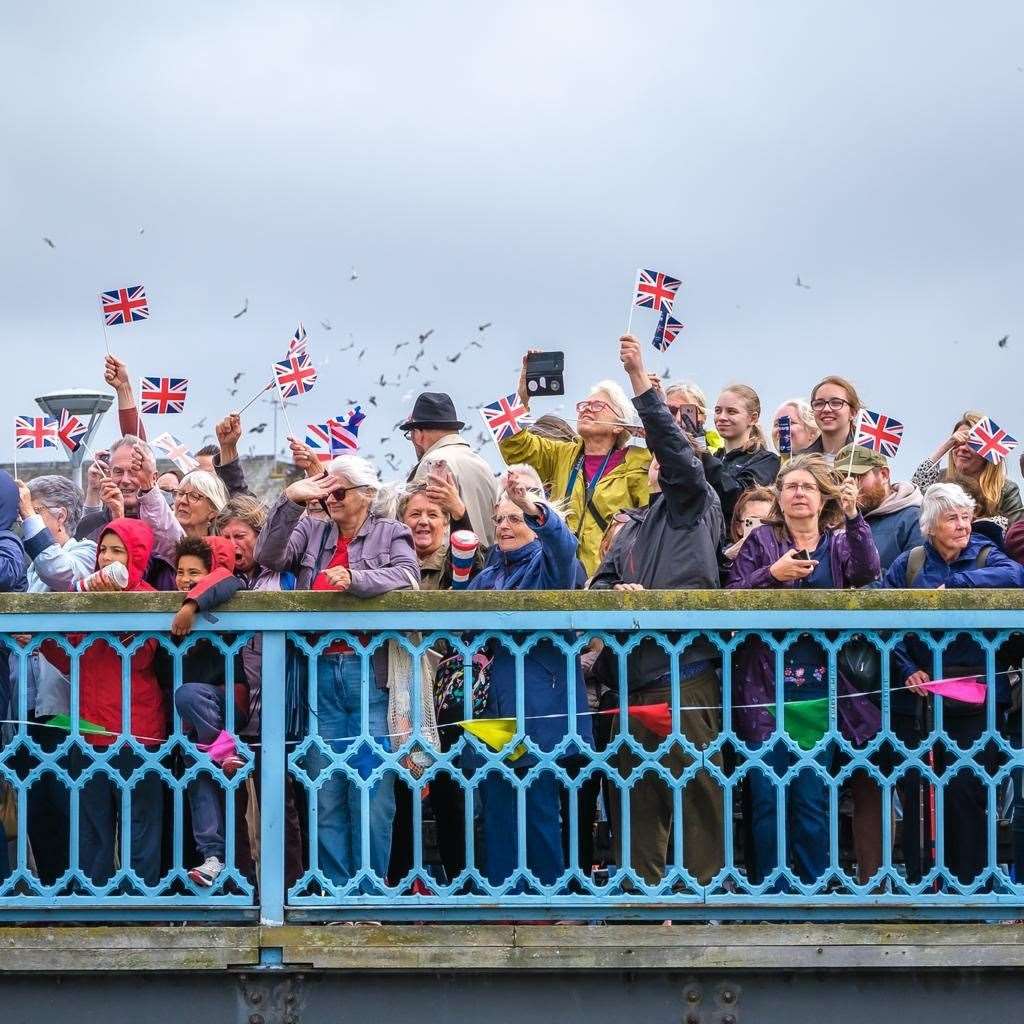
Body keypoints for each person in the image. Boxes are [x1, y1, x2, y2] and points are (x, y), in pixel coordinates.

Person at [588, 335, 726, 885]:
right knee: (634, 799)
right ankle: (639, 903)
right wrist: (614, 597)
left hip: (684, 673)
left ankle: (701, 902)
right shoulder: (631, 527)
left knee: (697, 796)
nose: (660, 466)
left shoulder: (696, 504)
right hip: (630, 679)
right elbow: (597, 588)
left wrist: (641, 379)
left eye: (670, 459)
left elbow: (675, 452)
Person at [254, 454, 420, 888]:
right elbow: (268, 556)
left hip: (370, 670)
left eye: (339, 492)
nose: (330, 500)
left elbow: (407, 575)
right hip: (319, 670)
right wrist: (291, 500)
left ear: (366, 495)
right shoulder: (311, 528)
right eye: (325, 491)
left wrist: (357, 578)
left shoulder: (390, 531)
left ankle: (367, 894)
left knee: (371, 788)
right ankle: (335, 893)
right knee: (324, 786)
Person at [727, 455, 880, 886]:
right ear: (779, 495)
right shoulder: (761, 542)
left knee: (812, 798)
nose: (798, 493)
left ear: (822, 497)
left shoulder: (837, 540)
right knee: (766, 796)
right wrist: (771, 575)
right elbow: (732, 597)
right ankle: (770, 890)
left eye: (807, 487)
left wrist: (854, 516)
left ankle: (813, 885)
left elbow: (867, 570)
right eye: (791, 486)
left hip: (819, 687)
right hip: (764, 688)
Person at [880, 483, 1024, 885]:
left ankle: (970, 884)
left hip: (975, 695)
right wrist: (906, 667)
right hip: (919, 697)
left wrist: (959, 586)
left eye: (965, 516)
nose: (962, 526)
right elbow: (884, 616)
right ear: (930, 525)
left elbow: (1015, 574)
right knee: (916, 790)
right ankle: (922, 884)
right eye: (952, 518)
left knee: (967, 790)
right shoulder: (910, 563)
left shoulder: (983, 553)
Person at [467, 468, 592, 888]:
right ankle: (505, 897)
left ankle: (547, 896)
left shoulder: (548, 563)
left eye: (514, 519)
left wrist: (532, 506)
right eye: (499, 519)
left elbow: (564, 544)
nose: (504, 526)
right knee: (499, 803)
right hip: (494, 702)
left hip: (541, 703)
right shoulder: (489, 572)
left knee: (538, 804)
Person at [39, 520, 165, 887]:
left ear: (136, 556)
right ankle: (95, 899)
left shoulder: (148, 597)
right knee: (92, 824)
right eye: (103, 550)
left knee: (139, 823)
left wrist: (114, 609)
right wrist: (44, 640)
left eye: (117, 551)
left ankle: (140, 900)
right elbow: (69, 657)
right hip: (89, 727)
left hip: (137, 730)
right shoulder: (84, 598)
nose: (107, 558)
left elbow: (141, 656)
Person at [387, 476, 485, 887]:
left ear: (447, 523)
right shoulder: (392, 566)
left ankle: (461, 883)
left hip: (451, 695)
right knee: (401, 791)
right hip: (402, 695)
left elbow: (483, 574)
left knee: (452, 792)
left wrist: (462, 513)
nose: (424, 522)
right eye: (415, 514)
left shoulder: (460, 561)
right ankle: (403, 880)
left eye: (434, 514)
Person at [213, 496, 303, 888]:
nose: (234, 544)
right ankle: (239, 888)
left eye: (241, 535)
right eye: (226, 536)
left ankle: (287, 888)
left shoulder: (280, 575)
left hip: (276, 711)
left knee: (279, 804)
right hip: (228, 714)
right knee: (228, 800)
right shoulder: (216, 581)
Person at [498, 352, 652, 576]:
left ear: (620, 425)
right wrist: (523, 393)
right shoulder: (561, 454)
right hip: (562, 578)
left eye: (598, 406)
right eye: (583, 405)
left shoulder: (640, 461)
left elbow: (650, 524)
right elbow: (513, 444)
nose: (587, 409)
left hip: (612, 581)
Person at [15, 476, 95, 884]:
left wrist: (29, 514)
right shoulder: (28, 563)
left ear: (59, 515)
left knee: (68, 802)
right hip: (24, 703)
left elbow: (62, 574)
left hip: (64, 705)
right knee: (37, 804)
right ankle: (50, 890)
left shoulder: (85, 551)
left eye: (36, 511)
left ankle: (77, 890)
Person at [167, 535, 247, 888]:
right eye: (180, 572)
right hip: (198, 728)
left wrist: (190, 605)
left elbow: (228, 578)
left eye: (194, 572)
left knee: (186, 694)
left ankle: (224, 750)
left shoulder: (221, 592)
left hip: (226, 699)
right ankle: (212, 857)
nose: (185, 579)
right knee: (197, 770)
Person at [401, 392, 499, 545]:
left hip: (451, 564)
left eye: (411, 435)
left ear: (418, 434)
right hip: (487, 564)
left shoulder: (434, 464)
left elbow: (430, 534)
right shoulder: (483, 464)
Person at [912, 411, 1024, 525]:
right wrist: (947, 445)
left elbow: (1016, 533)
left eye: (972, 443)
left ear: (987, 453)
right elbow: (916, 489)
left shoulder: (1006, 489)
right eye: (957, 442)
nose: (962, 448)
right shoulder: (939, 479)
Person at [835, 445, 922, 570]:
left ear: (884, 475)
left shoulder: (914, 519)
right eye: (840, 478)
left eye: (857, 477)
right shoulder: (835, 520)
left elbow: (912, 577)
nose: (848, 485)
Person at [702, 385, 780, 524]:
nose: (721, 417)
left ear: (753, 418)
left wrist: (702, 454)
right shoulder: (716, 458)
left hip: (738, 541)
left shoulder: (767, 461)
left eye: (731, 412)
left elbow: (739, 500)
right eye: (718, 411)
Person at [801, 376, 861, 462]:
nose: (826, 409)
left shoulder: (870, 457)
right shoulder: (801, 461)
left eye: (836, 403)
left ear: (853, 413)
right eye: (819, 403)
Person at [724, 485, 776, 562]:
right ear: (738, 528)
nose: (761, 528)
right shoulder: (726, 559)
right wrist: (727, 559)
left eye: (767, 521)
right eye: (754, 521)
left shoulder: (788, 554)